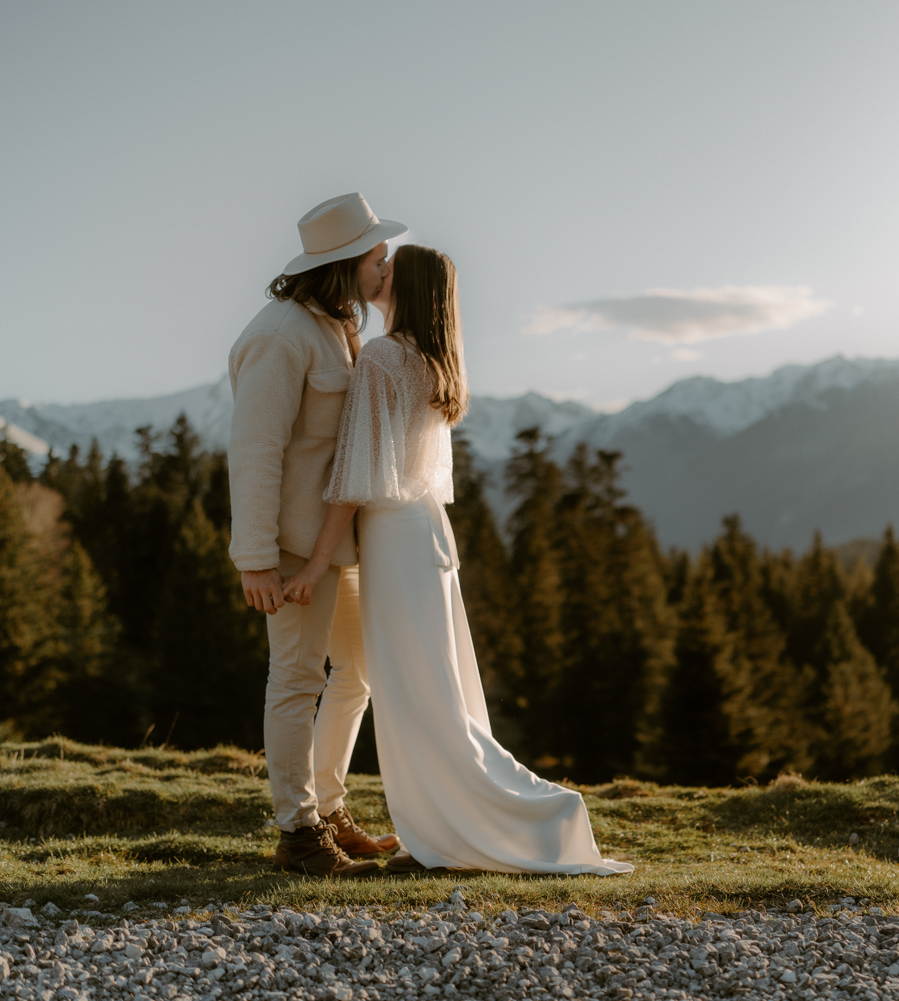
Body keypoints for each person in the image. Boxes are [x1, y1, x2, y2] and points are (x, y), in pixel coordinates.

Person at [282, 244, 632, 876]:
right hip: (426, 533)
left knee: (415, 695)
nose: (376, 274)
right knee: (435, 691)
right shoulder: (430, 360)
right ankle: (452, 825)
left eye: (388, 271)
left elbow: (350, 482)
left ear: (408, 288)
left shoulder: (385, 358)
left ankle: (455, 832)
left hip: (392, 538)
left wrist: (312, 565)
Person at [227, 192, 404, 878]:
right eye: (377, 257)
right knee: (298, 677)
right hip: (295, 547)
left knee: (356, 672)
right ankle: (298, 833)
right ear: (346, 263)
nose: (384, 267)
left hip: (342, 543)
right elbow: (256, 451)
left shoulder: (334, 327)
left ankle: (329, 808)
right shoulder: (280, 335)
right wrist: (256, 558)